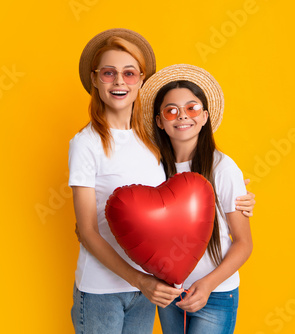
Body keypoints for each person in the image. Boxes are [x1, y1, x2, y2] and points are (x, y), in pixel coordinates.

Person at [69, 29, 255, 333]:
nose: (119, 81)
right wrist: (141, 279)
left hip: (153, 291)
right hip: (116, 289)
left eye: (129, 73)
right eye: (108, 73)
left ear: (141, 80)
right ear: (94, 79)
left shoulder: (150, 143)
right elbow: (88, 230)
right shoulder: (87, 143)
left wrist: (239, 193)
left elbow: (187, 195)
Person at [140, 64, 254, 333]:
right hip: (169, 295)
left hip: (215, 294)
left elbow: (244, 243)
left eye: (192, 108)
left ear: (204, 116)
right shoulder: (152, 170)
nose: (182, 117)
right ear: (160, 121)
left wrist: (208, 284)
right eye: (171, 110)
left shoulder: (222, 168)